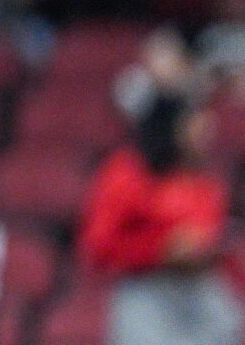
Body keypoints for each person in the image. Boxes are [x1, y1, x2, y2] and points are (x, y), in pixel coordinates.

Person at [80, 95, 242, 345]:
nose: (206, 131)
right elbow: (98, 246)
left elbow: (214, 241)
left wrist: (206, 251)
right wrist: (160, 249)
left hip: (199, 295)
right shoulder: (129, 172)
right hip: (147, 295)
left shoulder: (206, 184)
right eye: (195, 123)